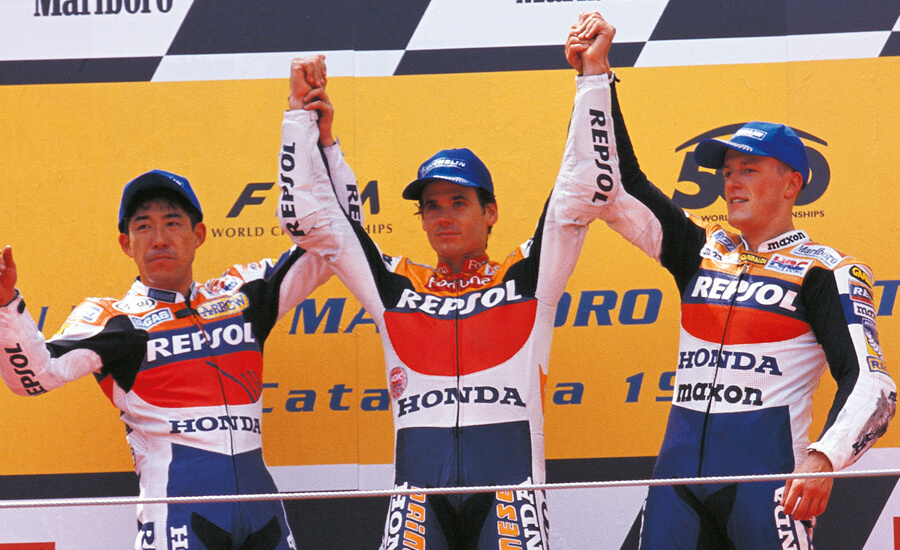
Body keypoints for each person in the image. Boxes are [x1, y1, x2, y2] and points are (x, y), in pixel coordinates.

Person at [277, 19, 617, 549]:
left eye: (459, 202)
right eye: (431, 206)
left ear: (491, 212)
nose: (443, 216)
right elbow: (314, 220)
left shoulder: (526, 276)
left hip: (511, 494)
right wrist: (303, 121)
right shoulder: (396, 287)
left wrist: (592, 78)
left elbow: (583, 188)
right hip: (417, 499)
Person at [565, 12, 897, 549]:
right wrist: (595, 75)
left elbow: (872, 385)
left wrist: (825, 457)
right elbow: (619, 183)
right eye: (727, 172)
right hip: (676, 485)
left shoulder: (824, 270)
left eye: (749, 170)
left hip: (767, 487)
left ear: (791, 184)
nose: (731, 183)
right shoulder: (700, 251)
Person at [0, 164, 360, 549]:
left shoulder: (242, 296)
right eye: (143, 227)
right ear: (126, 243)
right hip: (177, 512)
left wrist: (325, 150)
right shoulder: (115, 320)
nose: (159, 239)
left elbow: (336, 242)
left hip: (262, 511)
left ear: (198, 235)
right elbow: (35, 376)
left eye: (172, 223)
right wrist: (6, 306)